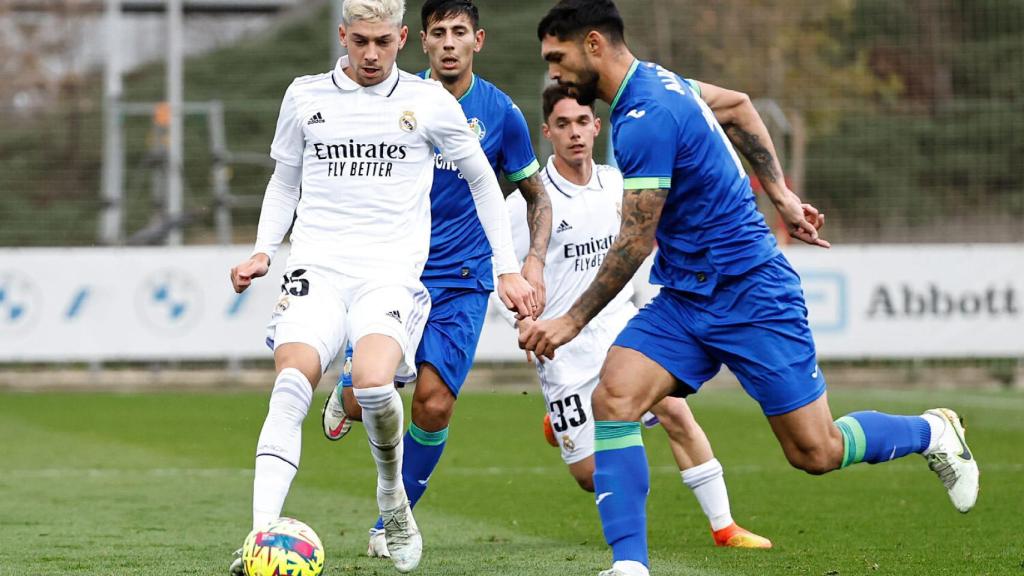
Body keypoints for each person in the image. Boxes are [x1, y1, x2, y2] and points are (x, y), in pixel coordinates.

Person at [520, 2, 980, 575]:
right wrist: (782, 194)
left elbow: (635, 241)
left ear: (592, 44)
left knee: (816, 452)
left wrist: (571, 321)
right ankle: (630, 566)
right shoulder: (662, 83)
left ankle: (934, 431)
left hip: (751, 292)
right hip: (687, 298)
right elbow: (737, 106)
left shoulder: (646, 115)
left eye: (557, 60)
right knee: (615, 396)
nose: (555, 76)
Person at [227, 0, 536, 573]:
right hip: (315, 269)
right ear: (343, 35)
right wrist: (264, 250)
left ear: (400, 40)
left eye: (383, 43)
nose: (371, 54)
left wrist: (508, 267)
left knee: (373, 385)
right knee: (291, 385)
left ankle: (392, 498)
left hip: (390, 276)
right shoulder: (304, 96)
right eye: (359, 41)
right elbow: (284, 181)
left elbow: (484, 185)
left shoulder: (428, 103)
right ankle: (260, 538)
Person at [318, 0, 553, 559]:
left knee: (434, 404)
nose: (449, 42)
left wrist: (531, 263)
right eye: (439, 33)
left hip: (464, 278)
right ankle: (348, 385)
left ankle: (390, 519)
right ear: (420, 41)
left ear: (479, 40)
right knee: (361, 400)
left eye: (460, 33)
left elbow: (535, 196)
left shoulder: (502, 114)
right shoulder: (397, 102)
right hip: (394, 270)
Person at [506, 84, 771, 548]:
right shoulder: (528, 202)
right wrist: (525, 319)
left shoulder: (618, 183)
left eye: (583, 122)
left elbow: (640, 250)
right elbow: (506, 270)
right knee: (591, 476)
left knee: (676, 412)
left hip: (625, 330)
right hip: (565, 351)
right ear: (546, 131)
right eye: (563, 124)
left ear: (597, 125)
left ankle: (725, 526)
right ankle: (565, 420)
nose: (575, 133)